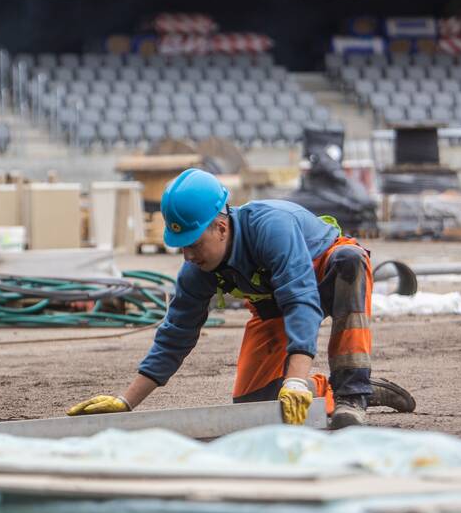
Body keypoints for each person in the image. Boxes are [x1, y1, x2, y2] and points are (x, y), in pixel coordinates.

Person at [68, 168, 416, 429]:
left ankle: (352, 395)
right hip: (274, 305)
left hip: (322, 276)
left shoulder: (271, 227)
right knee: (255, 406)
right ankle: (343, 388)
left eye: (193, 243)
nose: (188, 256)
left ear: (221, 227)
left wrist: (294, 380)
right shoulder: (196, 272)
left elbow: (301, 299)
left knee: (350, 262)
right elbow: (175, 336)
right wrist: (125, 402)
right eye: (182, 246)